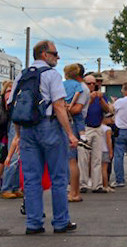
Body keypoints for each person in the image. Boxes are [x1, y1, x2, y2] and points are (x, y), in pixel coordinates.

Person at [10, 40, 78, 234]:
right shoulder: (51, 75)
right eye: (55, 53)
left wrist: (17, 134)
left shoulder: (21, 76)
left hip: (27, 131)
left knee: (32, 179)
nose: (58, 57)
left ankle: (33, 223)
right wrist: (70, 133)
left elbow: (14, 107)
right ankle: (60, 221)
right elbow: (58, 106)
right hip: (49, 127)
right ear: (44, 54)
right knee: (58, 176)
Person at [80, 74, 109, 193]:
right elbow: (82, 110)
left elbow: (107, 110)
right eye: (89, 83)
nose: (92, 85)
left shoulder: (100, 96)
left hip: (97, 127)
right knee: (83, 157)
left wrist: (101, 99)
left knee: (97, 157)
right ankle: (83, 183)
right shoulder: (83, 95)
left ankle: (97, 184)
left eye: (94, 83)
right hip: (86, 127)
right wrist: (91, 99)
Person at [63, 64, 87, 201]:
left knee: (71, 160)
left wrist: (66, 108)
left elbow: (77, 110)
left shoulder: (65, 85)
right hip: (75, 120)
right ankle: (75, 191)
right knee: (73, 160)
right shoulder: (79, 86)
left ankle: (73, 192)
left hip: (70, 120)